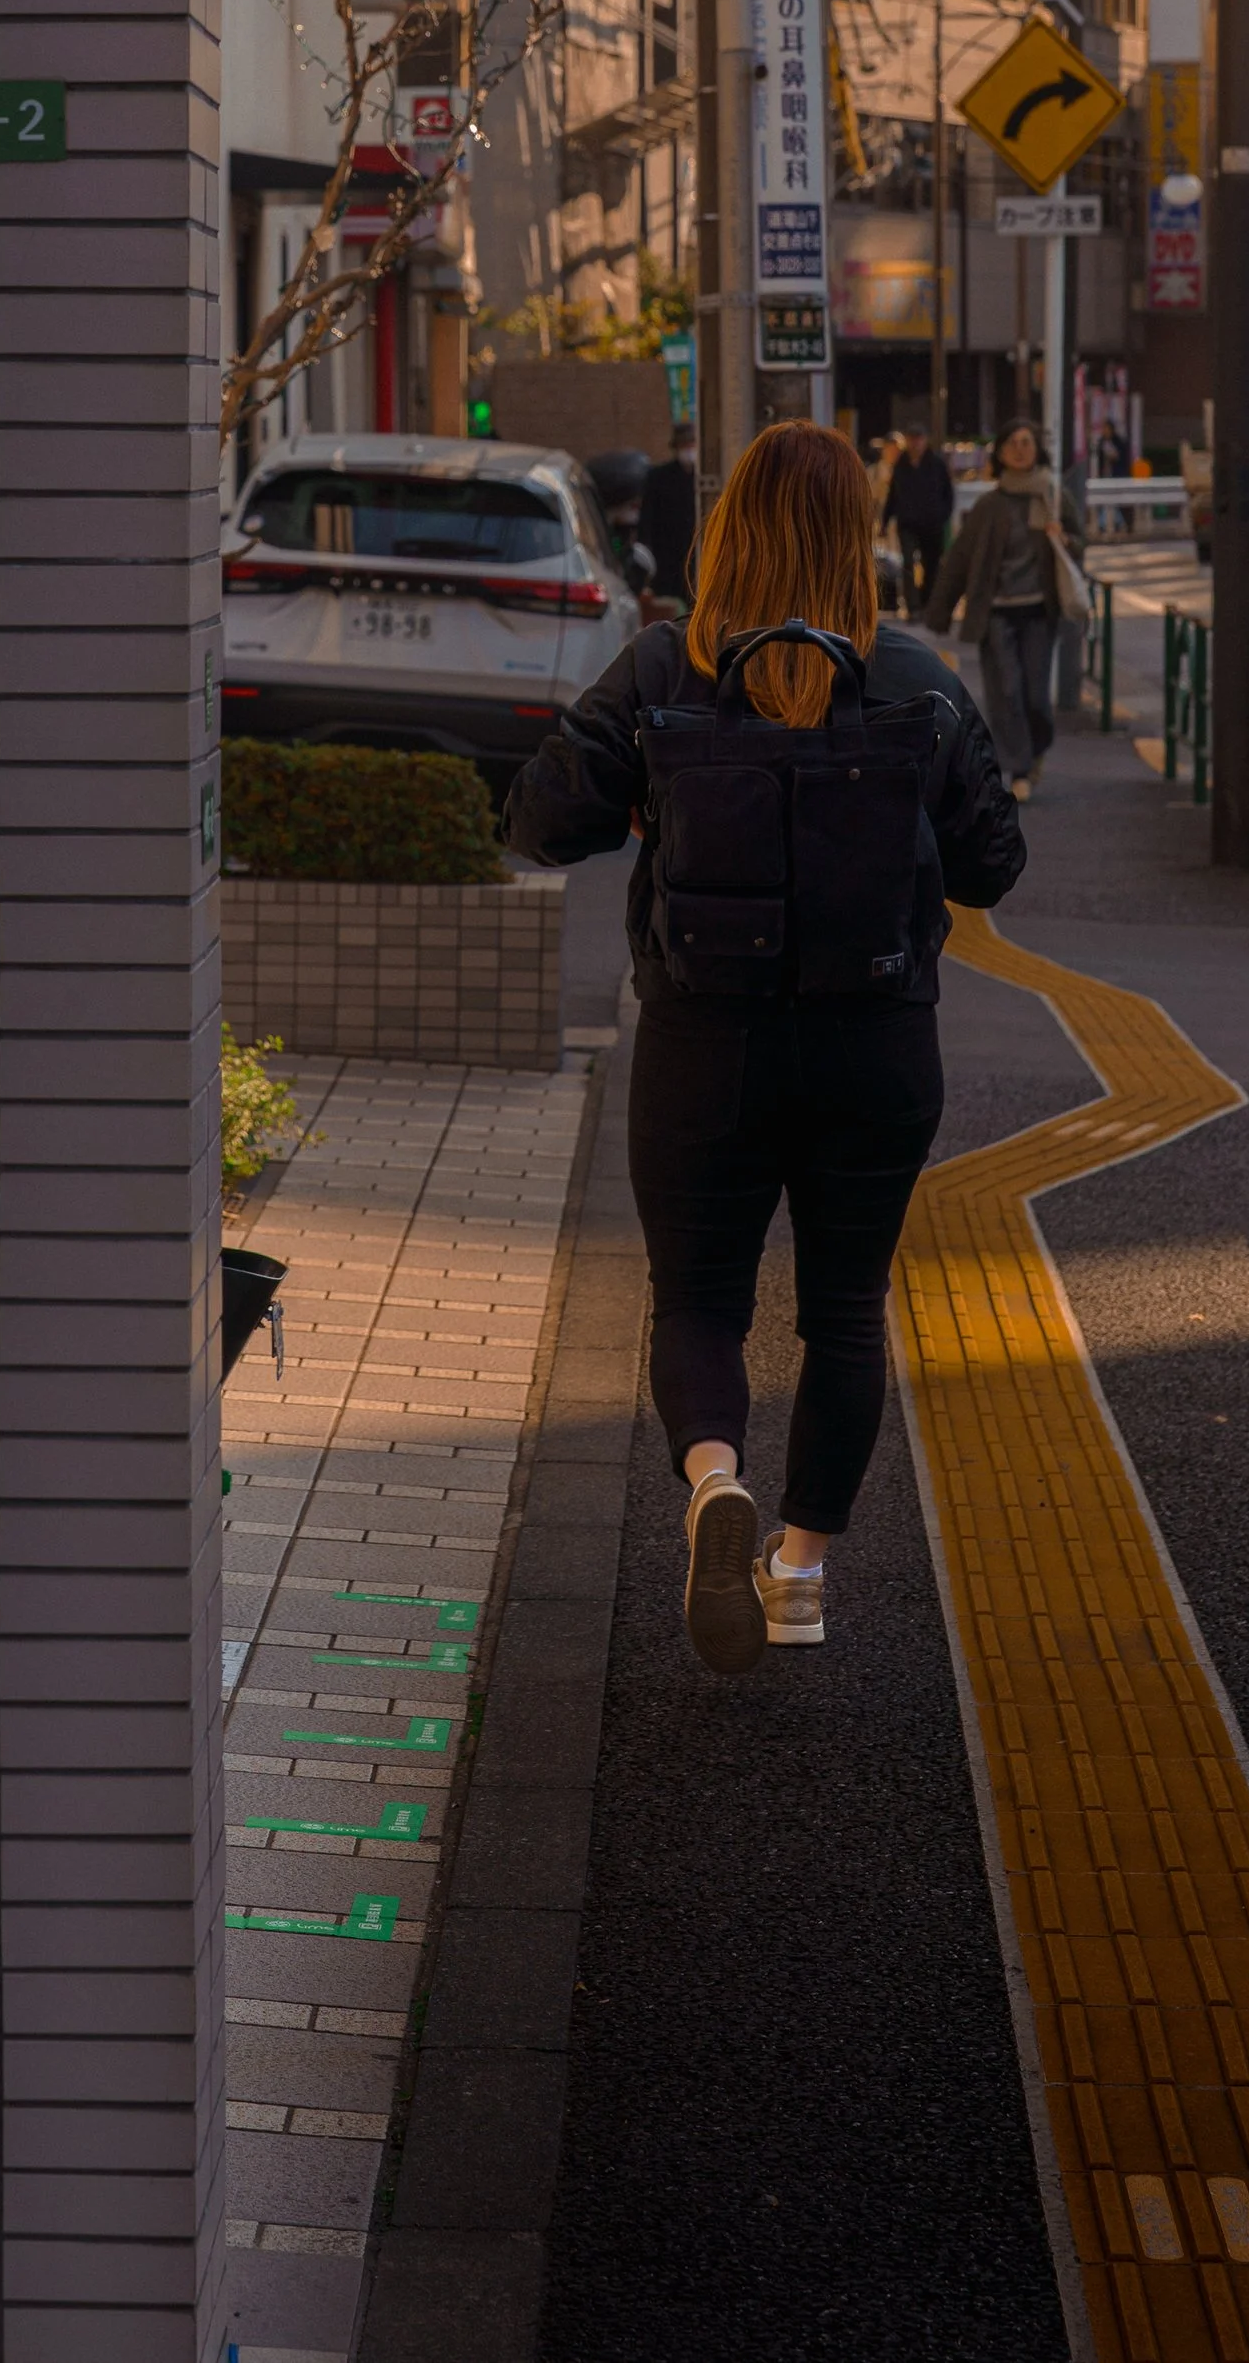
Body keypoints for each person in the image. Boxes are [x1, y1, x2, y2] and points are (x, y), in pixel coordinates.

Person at [505, 421, 1024, 1673]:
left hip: (704, 1043)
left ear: (728, 527)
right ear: (857, 538)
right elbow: (992, 866)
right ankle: (798, 1574)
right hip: (875, 1047)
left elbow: (538, 822)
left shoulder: (662, 668)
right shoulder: (917, 677)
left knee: (697, 1299)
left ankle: (712, 1480)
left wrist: (654, 789)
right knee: (845, 1309)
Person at [924, 419, 1086, 803]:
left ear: (1037, 449)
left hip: (1039, 611)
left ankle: (1035, 749)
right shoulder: (989, 505)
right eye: (1012, 442)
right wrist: (940, 610)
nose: (1019, 449)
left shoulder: (1052, 497)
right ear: (999, 452)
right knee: (1006, 692)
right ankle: (1019, 769)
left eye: (1027, 442)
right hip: (996, 612)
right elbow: (960, 558)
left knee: (1036, 697)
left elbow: (1080, 544)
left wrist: (1064, 538)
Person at [881, 424, 956, 617]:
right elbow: (893, 495)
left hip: (932, 523)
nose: (915, 443)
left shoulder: (936, 464)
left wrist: (942, 516)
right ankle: (913, 606)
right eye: (912, 439)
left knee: (931, 565)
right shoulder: (901, 465)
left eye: (918, 438)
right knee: (908, 563)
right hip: (908, 523)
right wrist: (885, 520)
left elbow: (948, 493)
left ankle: (925, 601)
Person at [637, 417, 699, 608]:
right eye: (684, 445)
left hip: (698, 557)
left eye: (691, 444)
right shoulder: (658, 478)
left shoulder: (704, 479)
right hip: (667, 562)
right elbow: (647, 521)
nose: (688, 450)